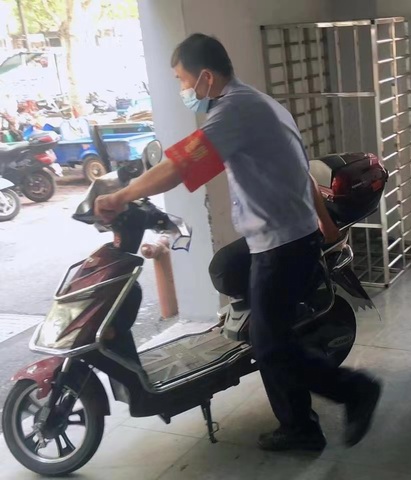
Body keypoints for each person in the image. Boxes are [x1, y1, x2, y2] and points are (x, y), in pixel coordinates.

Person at [94, 33, 381, 452]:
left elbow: (178, 166)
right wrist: (324, 223)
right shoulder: (260, 103)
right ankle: (299, 426)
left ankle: (355, 390)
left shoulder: (234, 111)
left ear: (206, 77)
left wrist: (120, 196)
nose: (182, 89)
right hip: (283, 236)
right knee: (258, 318)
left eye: (182, 79)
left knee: (270, 344)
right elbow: (299, 170)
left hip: (282, 243)